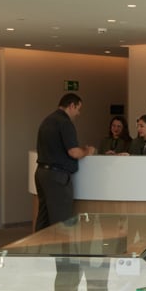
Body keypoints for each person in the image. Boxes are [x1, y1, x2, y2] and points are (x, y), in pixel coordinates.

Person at [33, 91, 94, 231]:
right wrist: (87, 151)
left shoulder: (47, 120)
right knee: (61, 220)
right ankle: (60, 251)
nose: (78, 113)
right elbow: (74, 152)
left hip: (41, 172)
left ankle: (39, 249)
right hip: (57, 177)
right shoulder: (65, 123)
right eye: (78, 109)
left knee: (44, 217)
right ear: (71, 105)